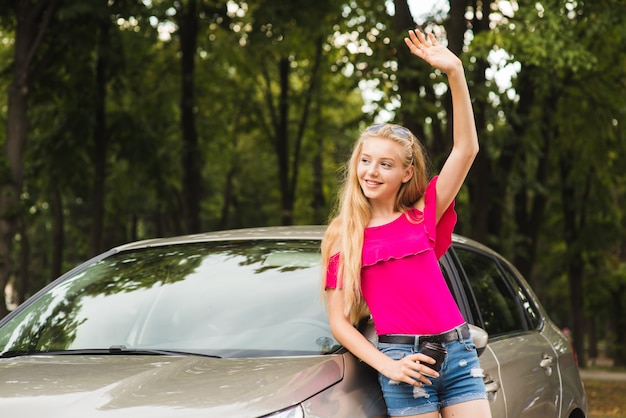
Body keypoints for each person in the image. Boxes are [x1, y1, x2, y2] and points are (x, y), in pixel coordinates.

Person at [321, 29, 492, 418]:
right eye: (366, 161)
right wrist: (387, 364)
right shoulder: (344, 234)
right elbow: (339, 323)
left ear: (405, 172)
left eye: (386, 164)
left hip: (459, 353)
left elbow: (466, 149)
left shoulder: (422, 213)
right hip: (403, 360)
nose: (372, 171)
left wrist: (455, 72)